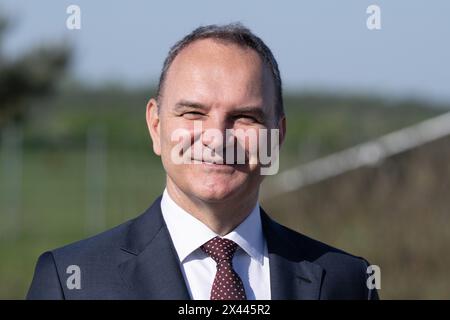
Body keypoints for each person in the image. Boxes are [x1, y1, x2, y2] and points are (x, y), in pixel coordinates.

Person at [27, 23, 379, 300]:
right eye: (193, 112)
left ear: (278, 136)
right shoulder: (72, 281)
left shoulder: (346, 282)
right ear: (156, 126)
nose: (216, 136)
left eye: (245, 117)